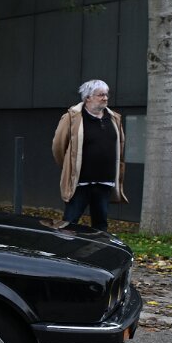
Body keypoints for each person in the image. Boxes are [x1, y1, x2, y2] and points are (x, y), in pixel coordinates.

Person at [52, 79, 128, 231]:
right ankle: (64, 247)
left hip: (104, 182)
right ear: (87, 98)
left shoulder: (114, 118)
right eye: (101, 95)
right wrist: (68, 167)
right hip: (80, 183)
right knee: (69, 224)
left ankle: (97, 247)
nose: (105, 98)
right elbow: (58, 147)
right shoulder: (72, 118)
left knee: (100, 225)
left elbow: (120, 146)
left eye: (106, 94)